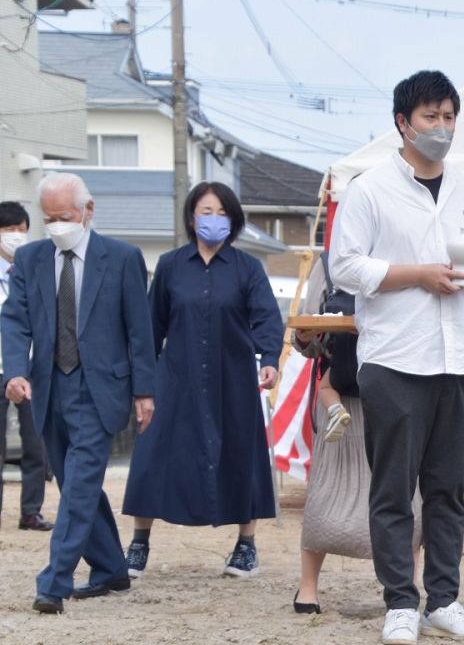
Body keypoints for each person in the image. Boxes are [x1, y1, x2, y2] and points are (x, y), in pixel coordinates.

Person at [330, 69, 464, 645]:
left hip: (461, 358)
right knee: (393, 488)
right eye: (431, 117)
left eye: (449, 117)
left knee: (449, 488)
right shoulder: (370, 190)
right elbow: (345, 267)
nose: (442, 128)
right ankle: (400, 602)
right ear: (403, 123)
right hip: (395, 358)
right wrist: (418, 276)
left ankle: (445, 600)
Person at [1, 173, 156, 614]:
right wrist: (14, 371)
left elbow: (138, 329)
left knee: (81, 481)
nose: (56, 226)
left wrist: (145, 390)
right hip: (48, 384)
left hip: (101, 385)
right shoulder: (31, 258)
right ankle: (110, 567)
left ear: (88, 211)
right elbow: (14, 319)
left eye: (64, 217)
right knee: (74, 483)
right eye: (48, 218)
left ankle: (53, 581)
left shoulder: (122, 258)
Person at [121, 182, 282, 578]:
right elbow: (150, 324)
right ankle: (139, 542)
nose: (213, 219)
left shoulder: (248, 268)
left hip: (234, 378)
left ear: (233, 219)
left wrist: (270, 358)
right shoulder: (172, 265)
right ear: (192, 218)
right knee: (153, 454)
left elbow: (266, 317)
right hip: (176, 375)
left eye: (221, 212)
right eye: (205, 212)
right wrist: (143, 381)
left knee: (242, 454)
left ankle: (246, 545)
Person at [290, 255, 422, 614]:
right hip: (346, 388)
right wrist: (305, 336)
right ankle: (308, 588)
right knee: (325, 493)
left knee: (407, 497)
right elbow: (308, 339)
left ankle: (404, 590)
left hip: (399, 391)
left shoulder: (416, 252)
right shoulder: (329, 263)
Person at [0, 201, 52, 531]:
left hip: (29, 369)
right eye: (9, 230)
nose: (17, 236)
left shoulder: (32, 272)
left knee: (37, 445)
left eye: (22, 230)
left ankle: (30, 511)